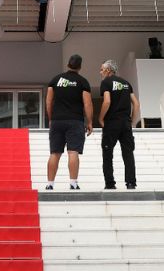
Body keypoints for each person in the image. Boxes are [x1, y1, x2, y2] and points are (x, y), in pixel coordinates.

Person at [44, 54, 92, 190]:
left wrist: (51, 119)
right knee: (73, 152)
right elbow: (87, 104)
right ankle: (73, 183)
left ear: (68, 64)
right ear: (80, 67)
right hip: (75, 121)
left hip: (57, 120)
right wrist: (89, 122)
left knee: (54, 153)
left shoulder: (55, 80)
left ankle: (50, 184)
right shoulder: (83, 82)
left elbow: (48, 102)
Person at [98, 60, 140, 189]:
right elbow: (136, 104)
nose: (100, 72)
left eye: (101, 69)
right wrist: (132, 121)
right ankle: (131, 182)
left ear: (108, 70)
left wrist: (100, 118)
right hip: (126, 123)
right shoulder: (126, 83)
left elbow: (107, 101)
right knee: (128, 153)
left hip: (112, 123)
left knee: (107, 153)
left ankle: (110, 184)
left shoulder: (106, 82)